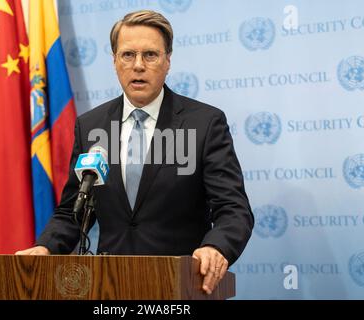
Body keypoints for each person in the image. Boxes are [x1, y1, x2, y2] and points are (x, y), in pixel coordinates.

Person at [16, 10, 254, 295]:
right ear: (115, 61)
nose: (138, 65)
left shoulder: (204, 123)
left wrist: (215, 247)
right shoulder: (91, 126)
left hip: (180, 287)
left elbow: (233, 209)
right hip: (108, 288)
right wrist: (45, 246)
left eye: (150, 55)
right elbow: (74, 210)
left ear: (167, 62)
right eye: (128, 55)